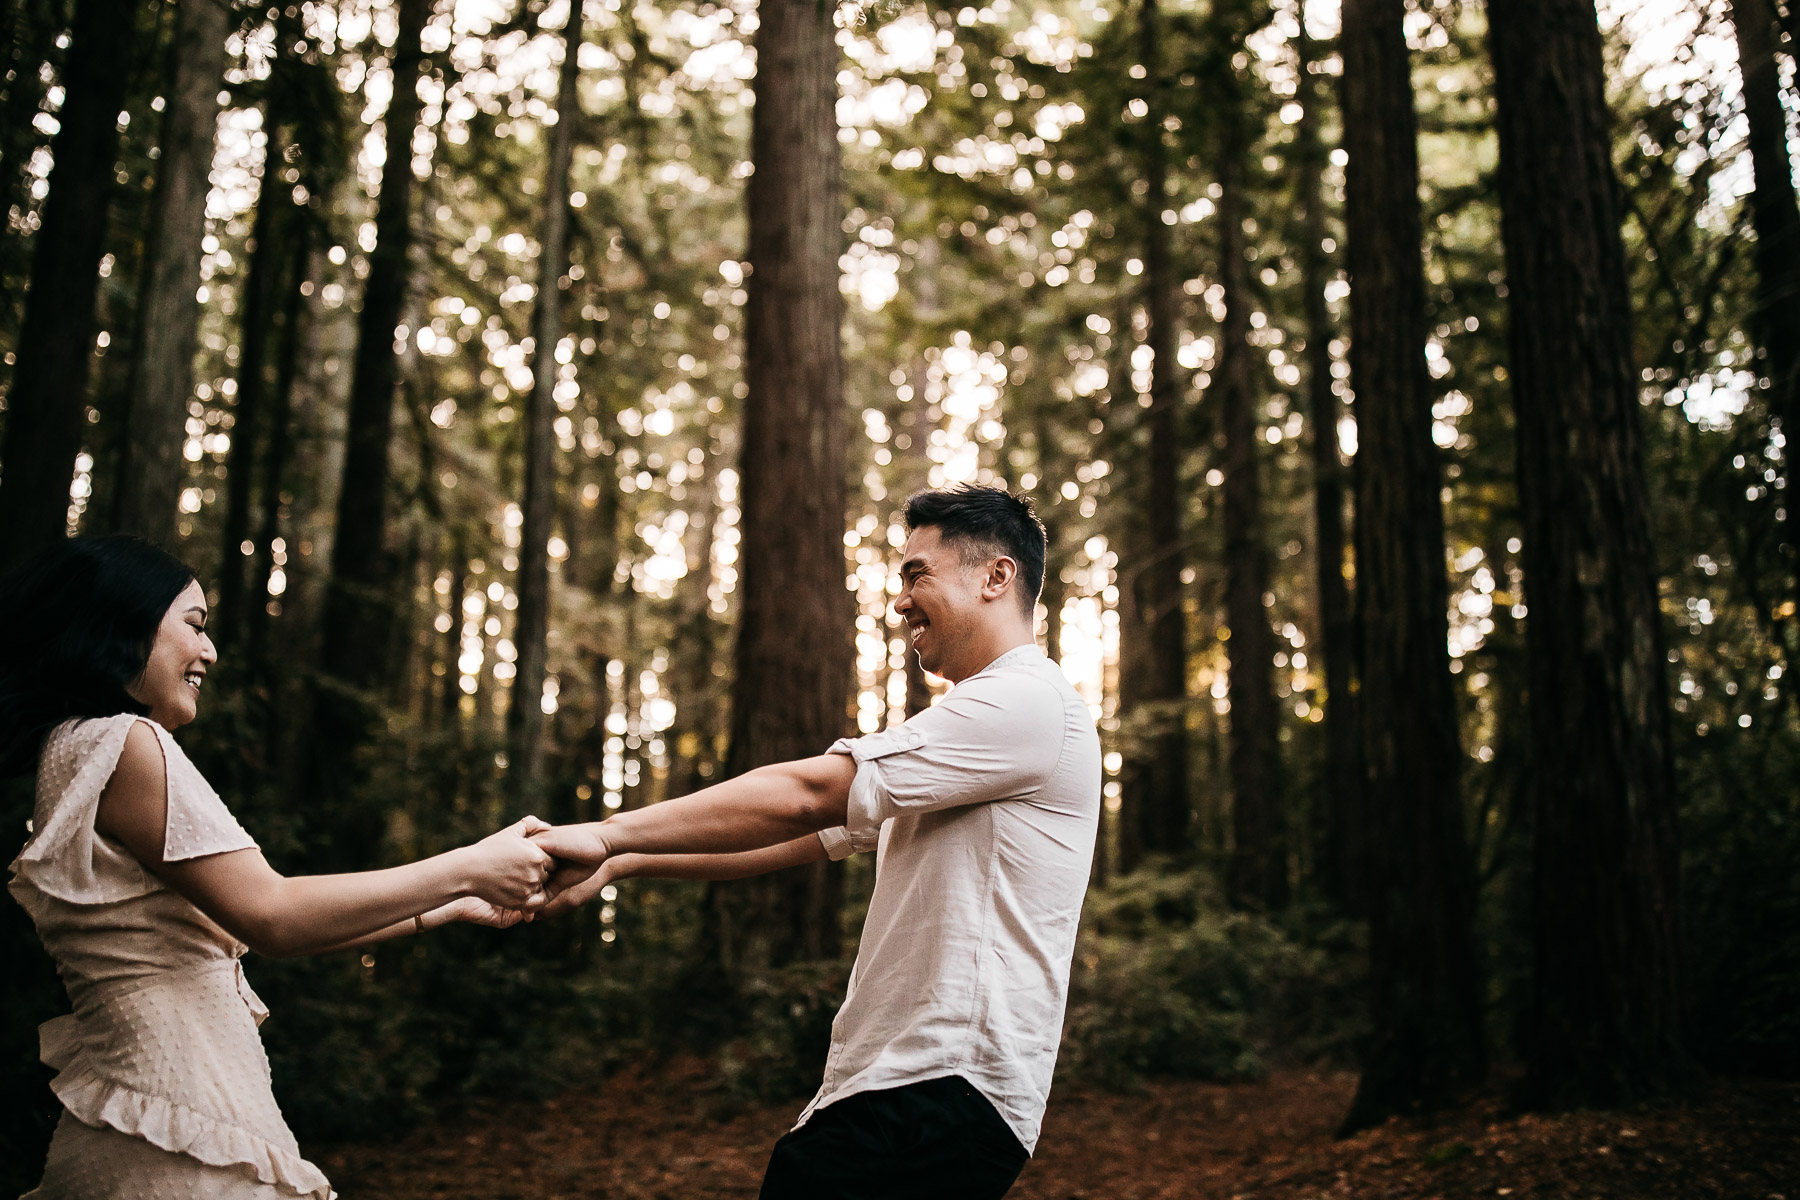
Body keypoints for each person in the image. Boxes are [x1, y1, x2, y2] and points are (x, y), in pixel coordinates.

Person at [533, 484, 1101, 1200]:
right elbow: (802, 832)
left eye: (917, 574)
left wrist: (604, 832)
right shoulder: (979, 732)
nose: (900, 603)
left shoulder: (1026, 701)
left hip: (938, 1088)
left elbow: (809, 792)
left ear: (996, 576)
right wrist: (621, 861)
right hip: (914, 1091)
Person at [2, 535, 555, 1200]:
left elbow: (254, 927)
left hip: (132, 1123)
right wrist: (470, 866)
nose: (210, 651)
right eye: (194, 625)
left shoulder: (68, 754)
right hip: (185, 1131)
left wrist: (454, 902)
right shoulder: (126, 740)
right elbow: (274, 916)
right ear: (121, 619)